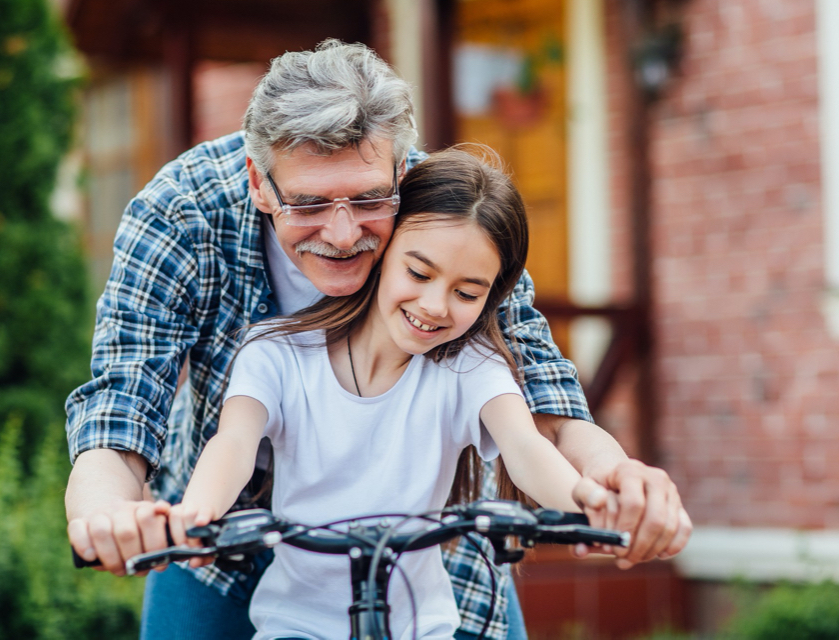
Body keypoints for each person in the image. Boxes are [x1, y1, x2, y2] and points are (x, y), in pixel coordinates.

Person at [65, 39, 691, 640]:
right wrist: (109, 516)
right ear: (259, 180)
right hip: (216, 532)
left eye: (368, 199)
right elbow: (120, 409)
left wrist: (613, 486)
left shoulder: (441, 213)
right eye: (308, 204)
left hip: (422, 552)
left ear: (400, 168)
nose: (342, 234)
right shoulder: (183, 212)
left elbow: (542, 410)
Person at [166, 147, 596, 640]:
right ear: (383, 249)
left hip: (424, 628)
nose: (435, 306)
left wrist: (587, 504)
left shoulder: (471, 367)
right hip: (294, 627)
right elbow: (233, 445)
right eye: (419, 273)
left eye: (467, 293)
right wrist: (194, 515)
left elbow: (526, 449)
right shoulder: (276, 353)